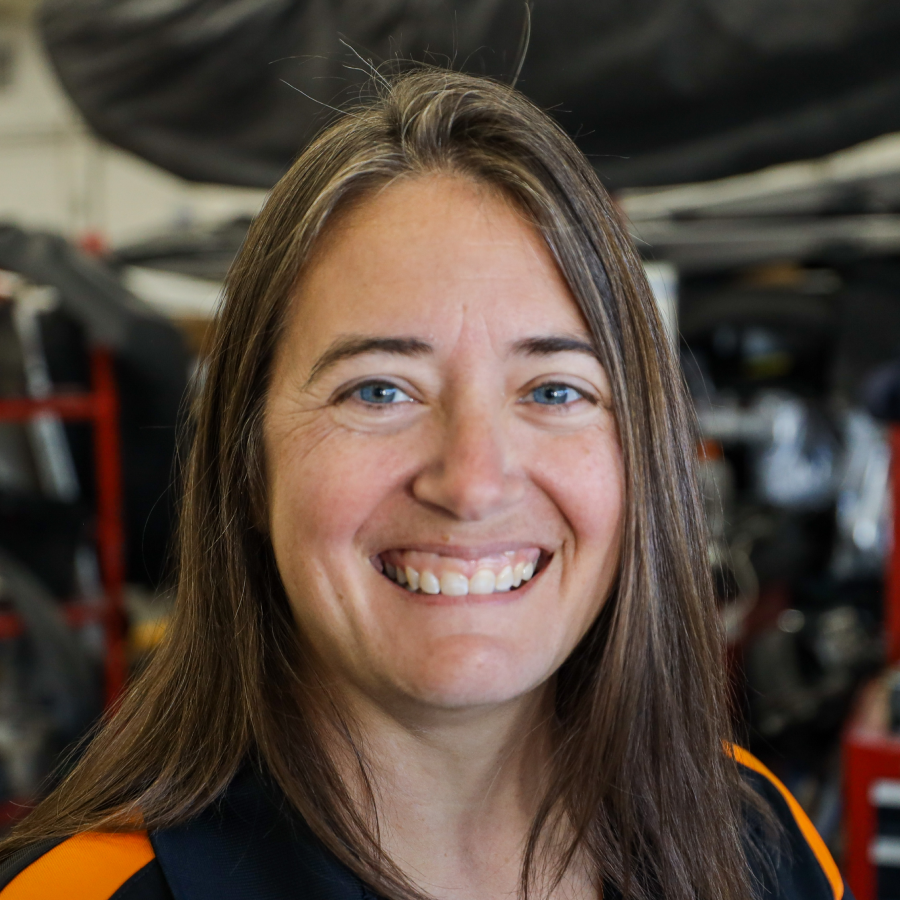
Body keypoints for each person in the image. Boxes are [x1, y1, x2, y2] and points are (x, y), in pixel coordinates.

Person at [0, 68, 849, 900]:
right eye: (379, 391)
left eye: (555, 391)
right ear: (248, 465)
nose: (473, 482)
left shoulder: (757, 841)